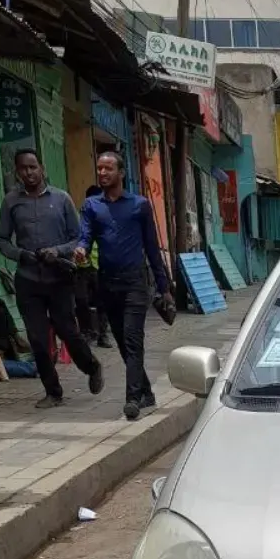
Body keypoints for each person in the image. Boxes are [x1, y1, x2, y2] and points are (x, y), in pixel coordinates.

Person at [0, 149, 103, 408]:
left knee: (68, 330)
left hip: (59, 279)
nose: (29, 173)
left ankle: (91, 366)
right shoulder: (11, 202)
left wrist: (58, 251)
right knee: (38, 340)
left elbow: (78, 238)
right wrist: (20, 254)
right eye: (23, 168)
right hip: (28, 280)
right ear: (17, 171)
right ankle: (53, 392)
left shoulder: (61, 199)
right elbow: (1, 239)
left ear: (41, 168)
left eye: (33, 167)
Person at [75, 151, 173, 421]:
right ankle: (147, 392)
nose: (103, 173)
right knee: (121, 341)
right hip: (107, 283)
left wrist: (164, 288)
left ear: (121, 173)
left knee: (133, 339)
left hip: (134, 283)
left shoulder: (139, 205)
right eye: (99, 169)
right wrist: (81, 249)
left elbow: (152, 248)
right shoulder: (92, 206)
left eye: (108, 169)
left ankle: (132, 399)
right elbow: (85, 236)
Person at [73, 184, 110, 348]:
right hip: (80, 267)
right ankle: (87, 332)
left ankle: (103, 335)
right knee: (81, 301)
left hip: (99, 266)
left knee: (102, 302)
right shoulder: (77, 217)